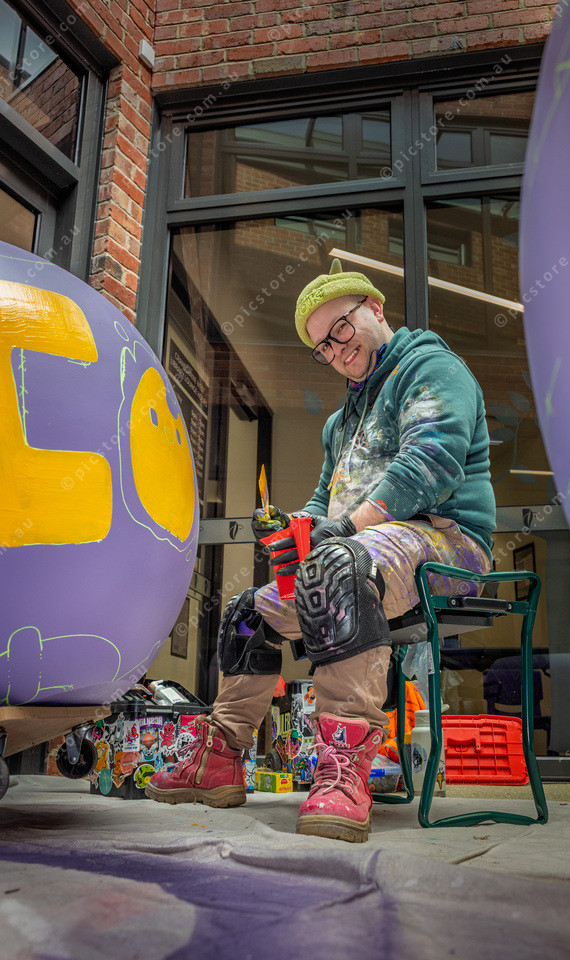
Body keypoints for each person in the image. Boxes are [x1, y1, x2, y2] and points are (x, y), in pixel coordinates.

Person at [146, 259, 496, 842]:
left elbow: (429, 465)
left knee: (338, 568)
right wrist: (292, 528)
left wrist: (342, 532)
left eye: (341, 328)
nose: (335, 349)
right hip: (368, 549)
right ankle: (220, 758)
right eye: (322, 347)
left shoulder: (431, 367)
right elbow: (322, 502)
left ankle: (344, 769)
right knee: (248, 612)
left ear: (375, 308)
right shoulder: (340, 422)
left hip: (447, 544)